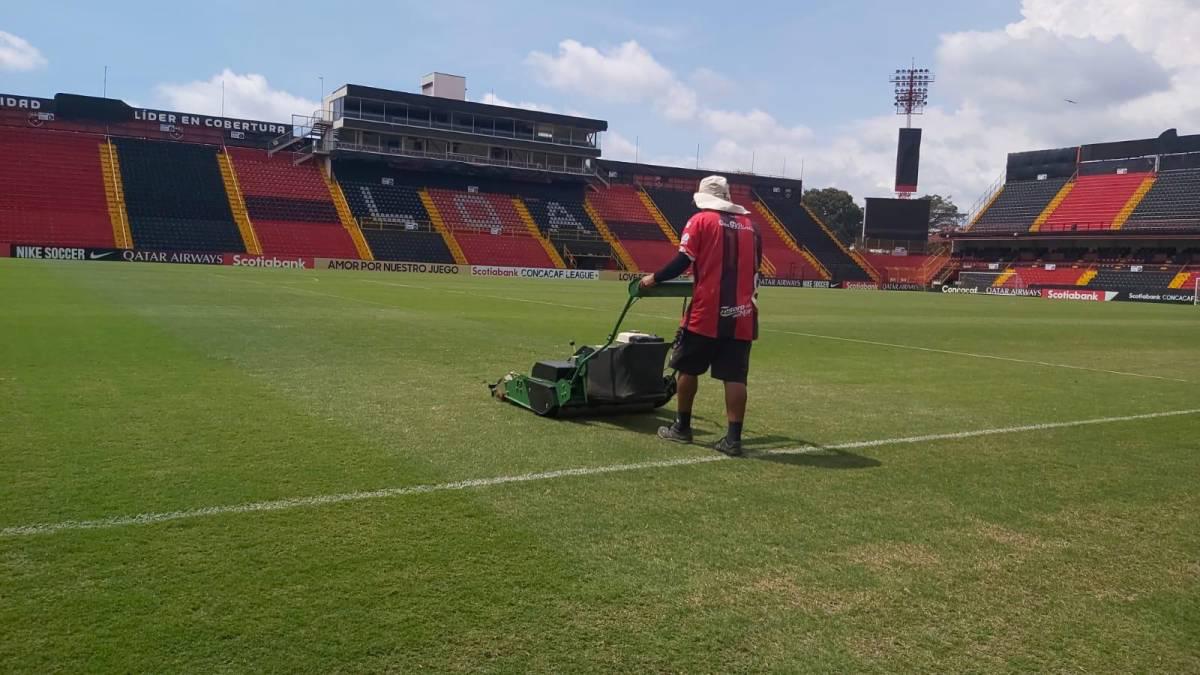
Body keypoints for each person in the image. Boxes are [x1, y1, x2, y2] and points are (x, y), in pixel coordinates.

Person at [640, 175, 762, 456]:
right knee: (735, 377)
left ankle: (682, 428)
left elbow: (684, 260)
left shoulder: (700, 221)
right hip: (742, 314)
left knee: (688, 368)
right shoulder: (752, 227)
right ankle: (733, 440)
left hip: (706, 312)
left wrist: (653, 278)